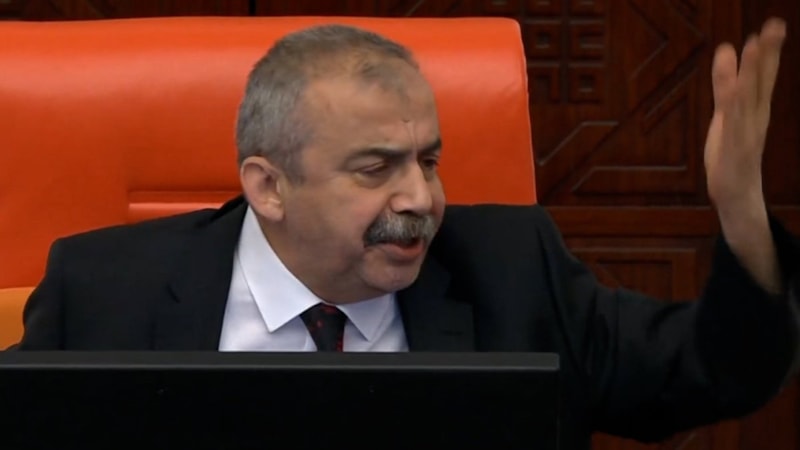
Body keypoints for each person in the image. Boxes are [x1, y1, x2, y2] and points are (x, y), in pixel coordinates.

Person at [11, 17, 799, 449]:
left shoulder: (513, 270)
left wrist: (742, 218)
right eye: (376, 167)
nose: (420, 198)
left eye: (428, 160)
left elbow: (715, 373)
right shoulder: (102, 291)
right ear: (268, 186)